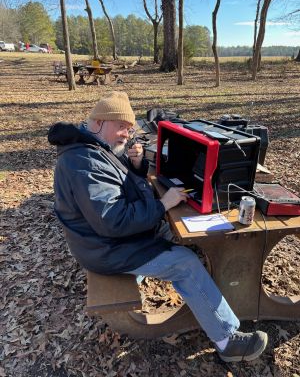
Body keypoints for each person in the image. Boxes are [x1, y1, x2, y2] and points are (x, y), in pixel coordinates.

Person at [48, 91, 268, 363]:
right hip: (105, 249)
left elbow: (115, 185)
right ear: (98, 122)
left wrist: (136, 165)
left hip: (102, 241)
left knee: (180, 236)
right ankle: (227, 340)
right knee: (185, 261)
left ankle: (207, 300)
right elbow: (113, 220)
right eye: (121, 127)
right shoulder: (83, 162)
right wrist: (163, 204)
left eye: (129, 129)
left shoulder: (91, 148)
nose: (126, 135)